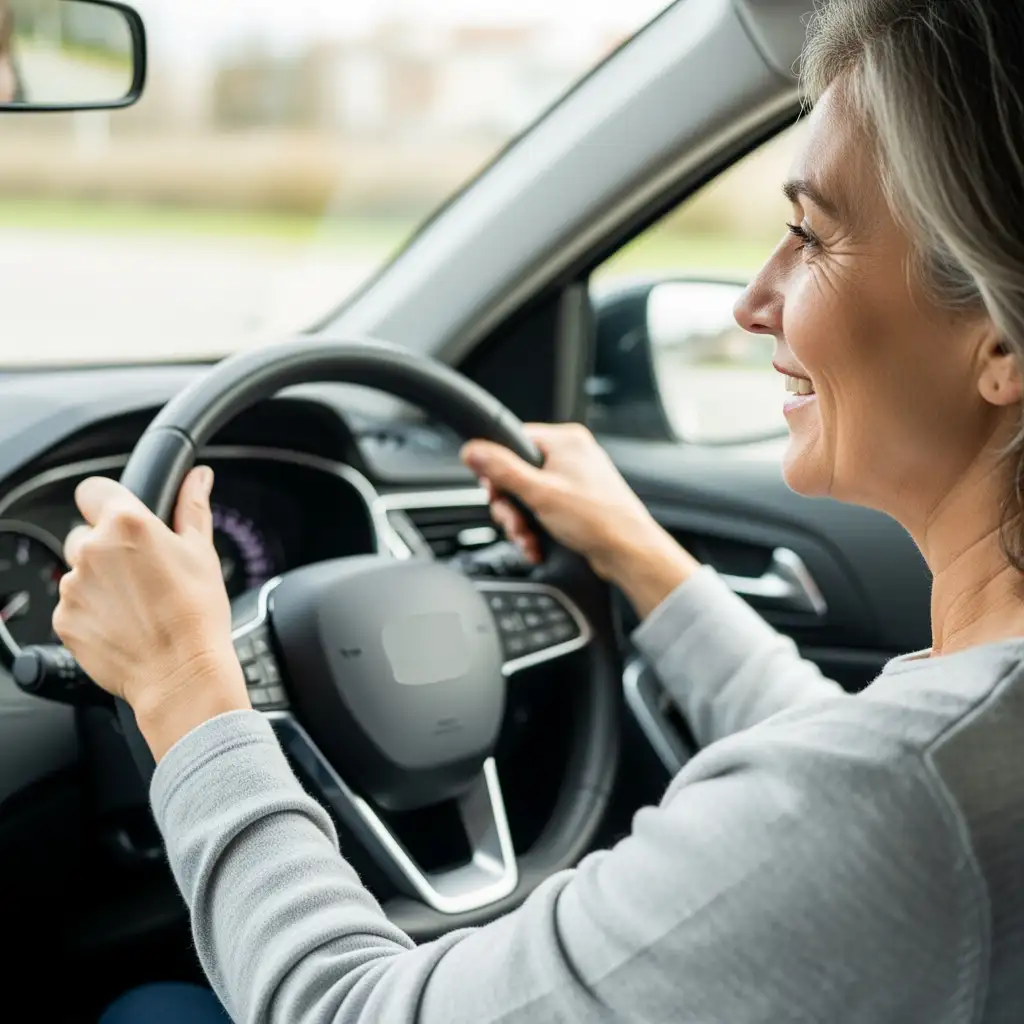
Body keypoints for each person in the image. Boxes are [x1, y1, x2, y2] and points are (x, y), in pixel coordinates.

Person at [92, 0, 1024, 1020]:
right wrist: (645, 561)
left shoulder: (896, 798)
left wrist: (185, 684)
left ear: (1001, 344)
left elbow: (343, 1007)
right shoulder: (953, 756)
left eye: (810, 235)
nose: (752, 300)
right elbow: (857, 781)